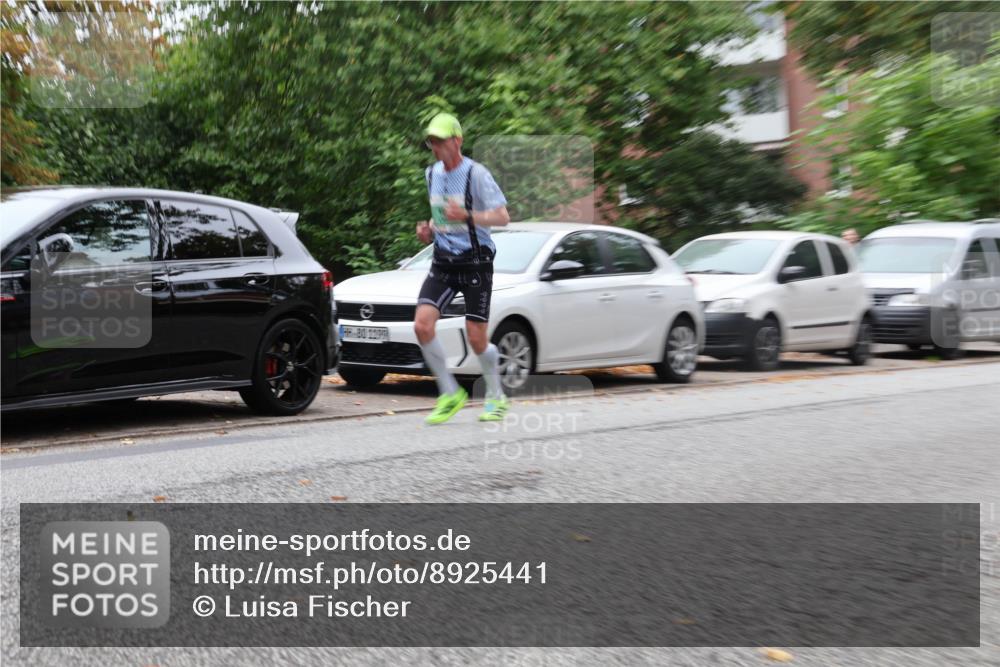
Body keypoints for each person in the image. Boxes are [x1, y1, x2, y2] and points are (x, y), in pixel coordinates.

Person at [414, 112, 511, 425]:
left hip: (476, 262)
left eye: (441, 141)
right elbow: (441, 216)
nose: (435, 147)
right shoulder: (432, 174)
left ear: (457, 140)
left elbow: (502, 217)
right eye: (432, 141)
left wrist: (467, 216)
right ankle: (449, 393)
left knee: (476, 338)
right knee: (422, 326)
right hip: (443, 260)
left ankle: (496, 395)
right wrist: (429, 230)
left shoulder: (477, 174)